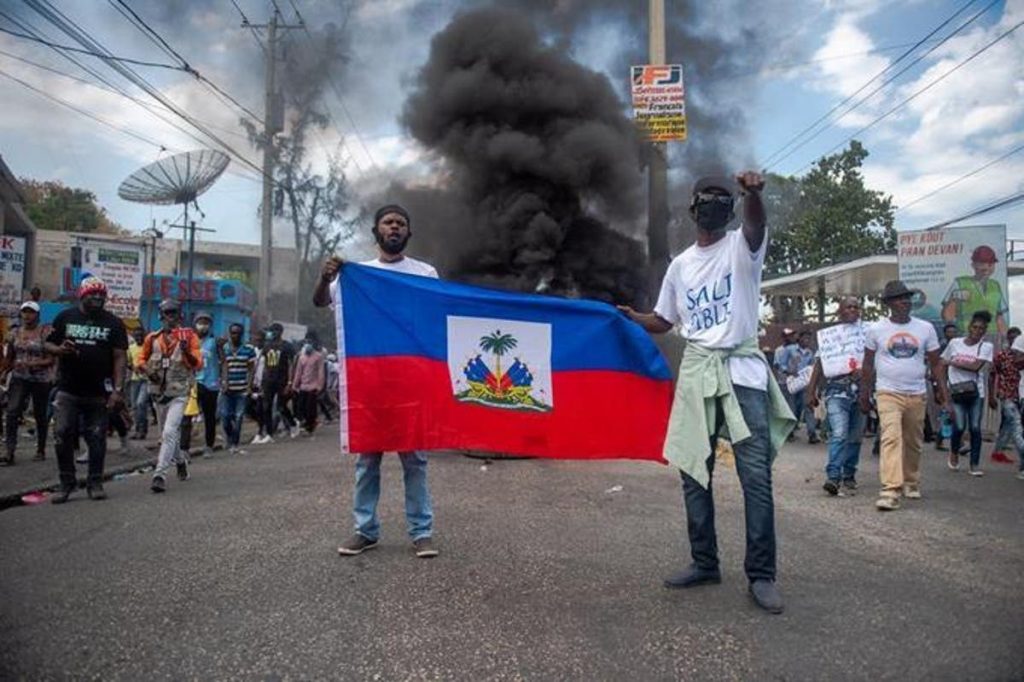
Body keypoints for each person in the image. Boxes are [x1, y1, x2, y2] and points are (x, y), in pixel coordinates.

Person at [618, 173, 795, 614]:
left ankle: (762, 574)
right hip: (698, 371)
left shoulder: (742, 246)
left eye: (724, 199)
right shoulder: (680, 265)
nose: (715, 205)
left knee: (755, 477)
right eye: (707, 199)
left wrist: (753, 194)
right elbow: (665, 319)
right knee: (694, 474)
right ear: (693, 208)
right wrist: (632, 317)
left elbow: (755, 223)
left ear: (731, 209)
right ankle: (704, 562)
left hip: (742, 373)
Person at [314, 203, 441, 560]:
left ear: (408, 232)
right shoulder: (357, 275)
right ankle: (364, 530)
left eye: (401, 223)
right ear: (377, 231)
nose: (395, 227)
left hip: (411, 381)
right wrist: (325, 276)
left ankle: (422, 532)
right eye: (388, 223)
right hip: (370, 383)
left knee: (414, 461)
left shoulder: (424, 273)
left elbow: (438, 315)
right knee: (367, 460)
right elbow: (321, 300)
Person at [860, 280, 948, 511]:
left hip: (916, 393)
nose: (905, 301)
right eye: (900, 298)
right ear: (888, 303)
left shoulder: (925, 328)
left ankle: (911, 481)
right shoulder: (876, 329)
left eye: (907, 297)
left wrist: (942, 392)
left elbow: (936, 363)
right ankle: (890, 490)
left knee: (913, 442)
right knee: (890, 437)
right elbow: (867, 364)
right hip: (887, 391)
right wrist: (864, 393)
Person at [44, 276, 128, 503]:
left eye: (101, 294)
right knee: (62, 434)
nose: (98, 298)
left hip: (98, 392)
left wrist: (117, 390)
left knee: (97, 437)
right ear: (82, 295)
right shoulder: (65, 317)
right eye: (93, 294)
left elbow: (120, 357)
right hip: (68, 390)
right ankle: (66, 483)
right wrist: (60, 350)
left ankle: (95, 482)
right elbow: (48, 343)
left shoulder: (113, 323)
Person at [137, 299, 202, 493]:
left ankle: (160, 475)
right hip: (158, 394)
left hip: (179, 392)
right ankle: (180, 461)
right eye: (167, 313)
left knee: (168, 432)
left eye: (174, 313)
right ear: (161, 315)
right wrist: (148, 371)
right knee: (168, 434)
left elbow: (197, 363)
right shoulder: (152, 338)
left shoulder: (189, 337)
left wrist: (185, 351)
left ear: (180, 315)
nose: (170, 317)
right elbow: (140, 359)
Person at [807, 297, 865, 496]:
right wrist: (810, 391)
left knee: (855, 436)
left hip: (861, 391)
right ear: (840, 311)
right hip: (836, 391)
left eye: (856, 306)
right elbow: (819, 364)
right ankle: (833, 477)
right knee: (839, 433)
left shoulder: (867, 333)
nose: (853, 309)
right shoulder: (830, 337)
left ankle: (849, 474)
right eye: (848, 306)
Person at [0, 301, 55, 465]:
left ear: (37, 315)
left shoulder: (45, 332)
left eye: (31, 312)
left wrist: (33, 364)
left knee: (39, 415)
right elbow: (10, 357)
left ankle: (41, 449)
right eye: (25, 312)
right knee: (12, 412)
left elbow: (51, 359)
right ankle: (9, 451)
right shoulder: (15, 333)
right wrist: (4, 372)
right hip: (19, 378)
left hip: (41, 380)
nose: (27, 315)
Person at [942, 310, 994, 476]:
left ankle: (974, 464)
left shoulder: (986, 346)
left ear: (985, 331)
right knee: (959, 426)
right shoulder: (955, 343)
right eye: (975, 327)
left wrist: (952, 362)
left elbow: (976, 367)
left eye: (982, 329)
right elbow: (942, 364)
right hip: (956, 391)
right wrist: (941, 389)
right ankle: (954, 452)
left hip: (976, 392)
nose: (978, 331)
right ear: (969, 327)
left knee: (975, 427)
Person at [941, 245, 1008, 336]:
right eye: (981, 264)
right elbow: (947, 317)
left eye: (990, 264)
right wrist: (954, 298)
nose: (986, 268)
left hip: (991, 337)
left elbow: (999, 317)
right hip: (966, 336)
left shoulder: (995, 285)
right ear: (973, 265)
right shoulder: (960, 283)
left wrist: (1005, 339)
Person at [988, 334, 1024, 476]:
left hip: (1019, 395)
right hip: (1007, 395)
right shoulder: (1002, 356)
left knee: (1010, 427)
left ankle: (1000, 452)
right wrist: (992, 394)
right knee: (1016, 427)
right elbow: (991, 374)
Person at [220, 322, 256, 454]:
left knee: (239, 416)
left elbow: (251, 369)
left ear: (241, 334)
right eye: (233, 333)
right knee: (225, 417)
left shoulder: (248, 349)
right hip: (227, 389)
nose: (235, 335)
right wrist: (224, 382)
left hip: (241, 388)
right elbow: (224, 366)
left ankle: (234, 443)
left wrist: (249, 386)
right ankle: (229, 438)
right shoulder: (225, 348)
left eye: (238, 333)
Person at [259, 322, 298, 442]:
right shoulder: (267, 346)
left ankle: (292, 424)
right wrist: (262, 380)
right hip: (268, 380)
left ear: (280, 332)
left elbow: (292, 364)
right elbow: (265, 364)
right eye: (271, 331)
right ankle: (269, 434)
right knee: (266, 406)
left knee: (281, 406)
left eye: (274, 331)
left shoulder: (287, 346)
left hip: (282, 380)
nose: (272, 333)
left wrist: (290, 382)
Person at [193, 311, 222, 456]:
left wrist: (223, 380)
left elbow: (223, 361)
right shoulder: (191, 342)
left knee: (209, 416)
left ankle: (209, 446)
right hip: (194, 382)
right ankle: (183, 447)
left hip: (211, 383)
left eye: (206, 322)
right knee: (187, 414)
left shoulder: (215, 342)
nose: (202, 325)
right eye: (200, 322)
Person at [291, 332, 326, 435]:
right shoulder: (302, 357)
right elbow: (298, 372)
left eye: (310, 342)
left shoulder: (318, 356)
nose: (308, 344)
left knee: (310, 408)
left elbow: (321, 372)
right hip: (303, 386)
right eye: (306, 342)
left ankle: (310, 427)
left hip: (313, 386)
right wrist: (295, 385)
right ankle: (305, 424)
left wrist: (320, 386)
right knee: (301, 407)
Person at [127, 327, 150, 440]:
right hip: (134, 379)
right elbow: (128, 362)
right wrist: (133, 368)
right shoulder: (131, 348)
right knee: (134, 406)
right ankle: (137, 430)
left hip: (147, 380)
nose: (139, 338)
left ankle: (142, 430)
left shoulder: (148, 348)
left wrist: (146, 369)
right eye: (136, 336)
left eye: (141, 336)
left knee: (141, 403)